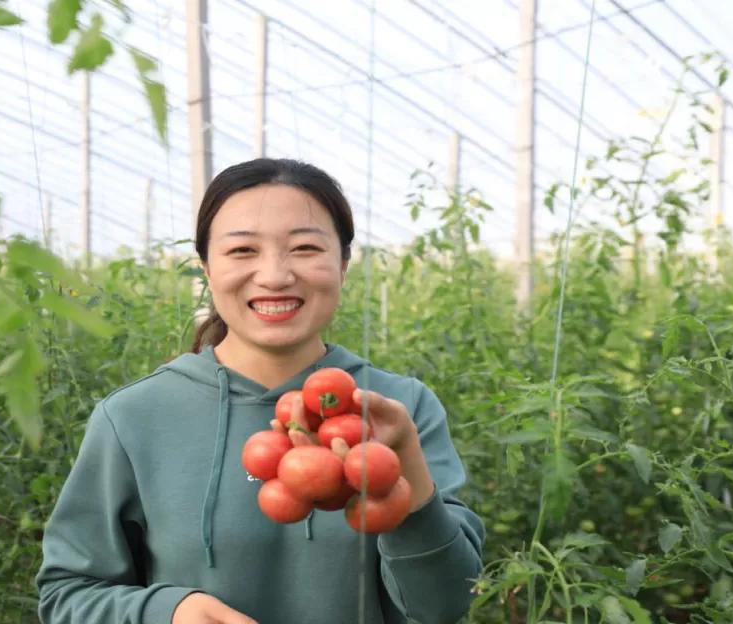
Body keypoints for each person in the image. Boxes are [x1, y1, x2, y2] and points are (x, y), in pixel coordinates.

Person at [36, 158, 485, 623]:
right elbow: (68, 594)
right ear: (206, 270)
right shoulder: (135, 417)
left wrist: (403, 460)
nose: (274, 275)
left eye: (305, 247)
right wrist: (167, 613)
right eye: (243, 251)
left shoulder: (398, 409)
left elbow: (444, 606)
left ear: (344, 265)